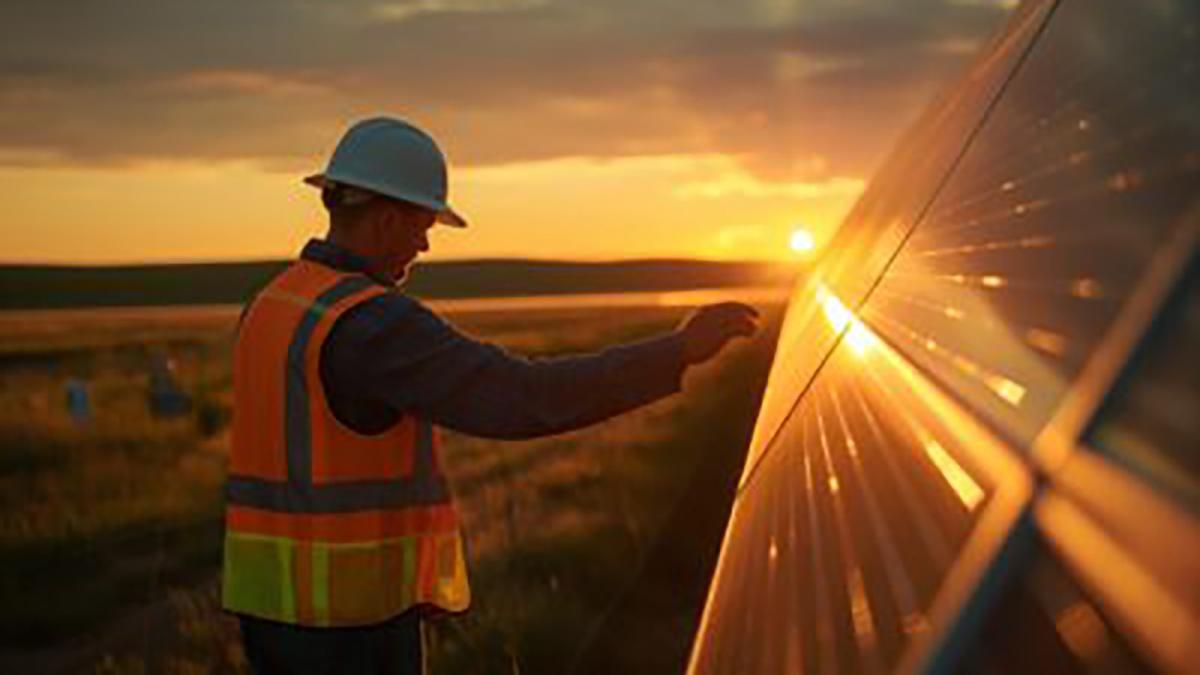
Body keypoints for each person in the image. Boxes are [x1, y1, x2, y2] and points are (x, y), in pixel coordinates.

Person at [222, 116, 760, 675]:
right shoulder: (374, 323)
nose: (425, 244)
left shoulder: (272, 304)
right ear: (384, 220)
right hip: (349, 634)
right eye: (423, 224)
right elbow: (524, 396)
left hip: (273, 616)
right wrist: (675, 351)